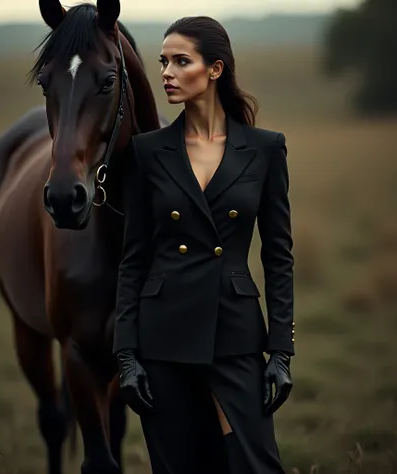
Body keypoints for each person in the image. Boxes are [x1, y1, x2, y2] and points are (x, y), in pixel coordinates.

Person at [113, 14, 295, 474]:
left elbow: (278, 256)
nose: (166, 73)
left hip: (234, 335)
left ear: (214, 70)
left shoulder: (265, 149)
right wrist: (126, 355)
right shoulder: (148, 152)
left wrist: (281, 350)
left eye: (180, 61)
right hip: (162, 338)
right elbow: (133, 260)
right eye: (163, 62)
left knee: (254, 463)